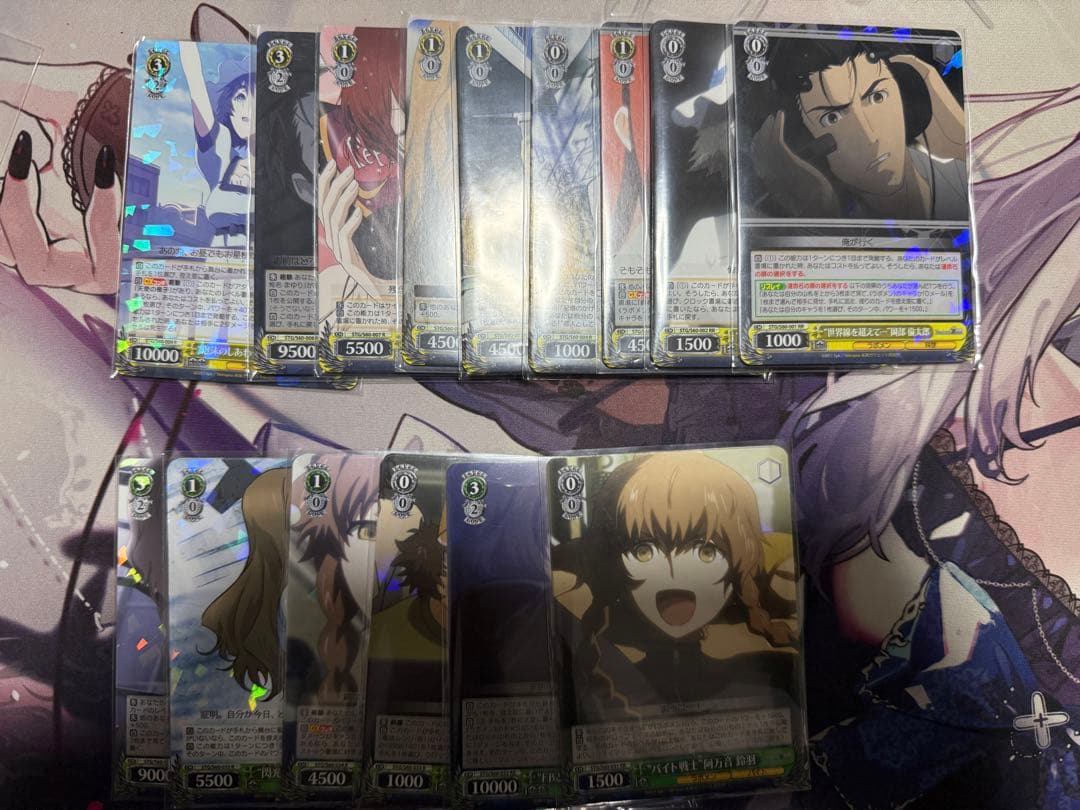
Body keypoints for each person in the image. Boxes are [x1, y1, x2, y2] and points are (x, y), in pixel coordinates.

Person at [751, 37, 968, 220]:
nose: (870, 137)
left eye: (877, 97)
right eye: (832, 118)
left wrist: (963, 143)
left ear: (907, 95)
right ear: (802, 141)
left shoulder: (964, 176)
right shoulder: (825, 215)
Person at [177, 42, 252, 245]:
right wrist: (188, 50)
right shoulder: (221, 153)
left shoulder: (278, 165)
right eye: (241, 96)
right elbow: (195, 81)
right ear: (228, 106)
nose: (249, 107)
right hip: (222, 255)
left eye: (257, 97)